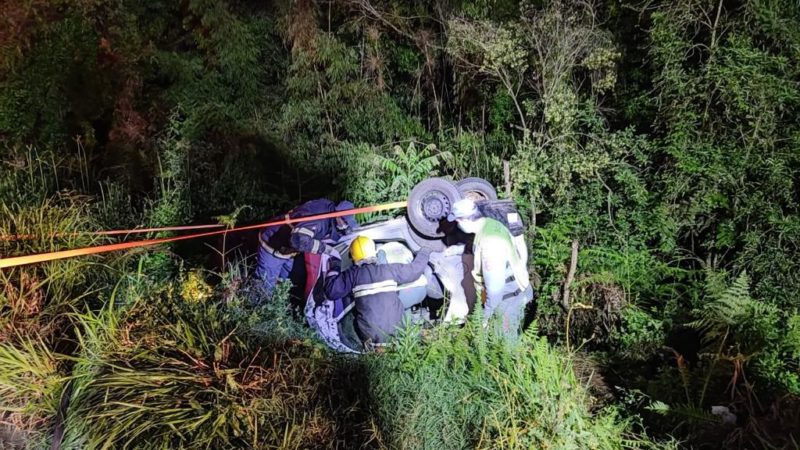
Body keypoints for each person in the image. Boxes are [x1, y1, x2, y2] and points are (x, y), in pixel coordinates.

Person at [447, 198, 533, 336]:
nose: (457, 225)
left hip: (507, 300)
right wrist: (457, 250)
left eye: (457, 221)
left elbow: (495, 289)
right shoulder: (491, 224)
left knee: (505, 348)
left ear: (463, 220)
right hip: (515, 292)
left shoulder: (490, 244)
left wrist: (484, 317)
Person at [324, 236, 431, 345]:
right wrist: (425, 250)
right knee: (402, 306)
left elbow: (331, 291)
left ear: (353, 257)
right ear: (373, 252)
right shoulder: (388, 269)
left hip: (371, 337)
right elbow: (415, 270)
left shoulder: (353, 275)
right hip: (398, 331)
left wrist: (334, 267)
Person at [256, 199, 357, 294]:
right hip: (272, 246)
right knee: (265, 288)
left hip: (287, 251)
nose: (346, 226)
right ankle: (258, 309)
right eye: (345, 222)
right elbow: (298, 240)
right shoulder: (320, 220)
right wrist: (324, 248)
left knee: (286, 283)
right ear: (338, 215)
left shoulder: (327, 208)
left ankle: (279, 304)